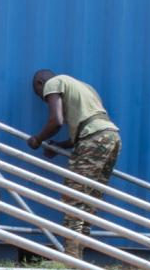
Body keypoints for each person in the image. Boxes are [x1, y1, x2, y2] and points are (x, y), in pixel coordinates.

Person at [26, 71, 122, 258]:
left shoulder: (53, 82)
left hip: (93, 139)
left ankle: (72, 257)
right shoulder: (86, 88)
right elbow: (87, 126)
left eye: (42, 96)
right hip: (112, 137)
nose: (45, 100)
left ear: (40, 83)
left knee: (74, 198)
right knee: (90, 200)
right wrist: (59, 146)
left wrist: (37, 139)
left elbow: (56, 121)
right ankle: (79, 255)